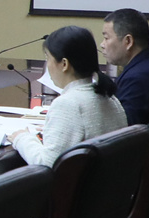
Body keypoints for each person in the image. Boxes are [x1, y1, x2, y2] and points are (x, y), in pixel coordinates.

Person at [7, 25, 128, 166]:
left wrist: (22, 138)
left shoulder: (67, 104)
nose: (47, 64)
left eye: (48, 58)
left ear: (64, 64)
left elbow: (47, 164)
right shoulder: (109, 97)